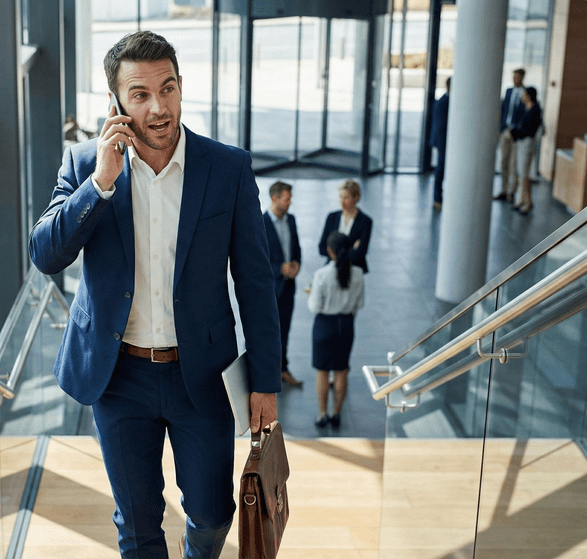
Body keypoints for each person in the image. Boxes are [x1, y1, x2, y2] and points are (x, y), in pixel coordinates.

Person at [28, 31, 281, 559]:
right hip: (118, 376)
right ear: (117, 105)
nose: (159, 107)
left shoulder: (227, 169)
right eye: (140, 95)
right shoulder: (84, 165)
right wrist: (100, 184)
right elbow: (46, 254)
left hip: (202, 374)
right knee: (138, 524)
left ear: (182, 87)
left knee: (213, 512)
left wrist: (264, 383)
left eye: (167, 89)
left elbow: (256, 282)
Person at [307, 231, 364, 429]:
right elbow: (359, 304)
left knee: (322, 371)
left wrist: (311, 292)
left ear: (330, 252)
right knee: (341, 371)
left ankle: (322, 414)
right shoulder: (357, 274)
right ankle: (336, 413)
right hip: (346, 325)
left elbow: (315, 307)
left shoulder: (321, 275)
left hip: (324, 325)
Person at [263, 180, 303, 388]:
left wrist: (296, 265)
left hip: (288, 286)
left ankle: (283, 369)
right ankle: (266, 374)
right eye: (287, 199)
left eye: (290, 199)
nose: (290, 203)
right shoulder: (260, 223)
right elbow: (256, 261)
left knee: (285, 330)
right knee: (266, 332)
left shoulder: (292, 220)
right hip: (270, 289)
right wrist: (280, 268)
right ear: (275, 198)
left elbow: (296, 248)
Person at [319, 179, 372, 274]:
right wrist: (351, 249)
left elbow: (361, 253)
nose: (342, 202)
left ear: (356, 198)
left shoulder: (365, 221)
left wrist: (334, 251)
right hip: (332, 269)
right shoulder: (332, 217)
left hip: (354, 270)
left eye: (346, 198)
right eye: (340, 197)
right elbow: (322, 248)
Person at [494, 68, 526, 202]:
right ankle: (504, 189)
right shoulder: (508, 91)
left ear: (522, 78)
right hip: (505, 130)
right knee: (504, 162)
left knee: (513, 164)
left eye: (517, 77)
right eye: (513, 77)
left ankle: (512, 191)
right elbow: (503, 110)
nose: (515, 79)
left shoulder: (525, 93)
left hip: (516, 133)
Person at [509, 86, 542, 215]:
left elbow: (530, 130)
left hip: (527, 144)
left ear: (528, 96)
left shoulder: (535, 110)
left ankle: (525, 201)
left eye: (524, 95)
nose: (522, 97)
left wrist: (516, 132)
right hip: (521, 142)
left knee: (524, 173)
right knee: (522, 173)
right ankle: (525, 200)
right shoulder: (524, 108)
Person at [428, 77, 450, 211]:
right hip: (443, 142)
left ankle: (439, 198)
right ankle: (437, 199)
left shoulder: (444, 100)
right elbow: (441, 126)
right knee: (440, 170)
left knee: (440, 169)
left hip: (442, 141)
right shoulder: (444, 102)